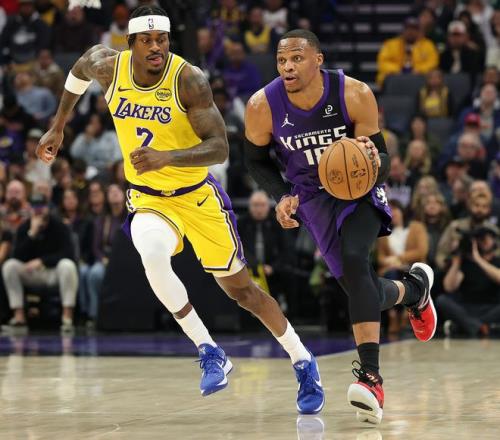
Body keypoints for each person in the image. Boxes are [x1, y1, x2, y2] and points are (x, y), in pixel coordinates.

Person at [35, 6, 324, 414]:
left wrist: (167, 157)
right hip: (149, 198)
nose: (156, 47)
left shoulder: (188, 79)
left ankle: (302, 359)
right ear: (131, 44)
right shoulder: (107, 67)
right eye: (147, 41)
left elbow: (220, 148)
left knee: (243, 292)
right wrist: (59, 125)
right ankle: (208, 350)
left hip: (196, 195)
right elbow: (78, 70)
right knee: (152, 254)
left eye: (163, 40)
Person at [244, 29, 437, 425]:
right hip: (312, 198)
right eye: (281, 60)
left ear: (318, 59)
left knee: (354, 260)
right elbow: (256, 160)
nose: (287, 67)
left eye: (297, 58)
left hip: (358, 191)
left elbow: (383, 159)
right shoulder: (262, 105)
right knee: (362, 290)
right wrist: (282, 195)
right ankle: (414, 290)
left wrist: (373, 159)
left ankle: (371, 379)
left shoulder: (354, 93)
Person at [1, 193, 78, 333]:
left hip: (53, 272)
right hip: (31, 274)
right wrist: (32, 233)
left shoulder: (59, 226)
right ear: (30, 208)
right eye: (35, 206)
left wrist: (42, 261)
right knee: (9, 266)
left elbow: (68, 254)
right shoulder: (24, 227)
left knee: (68, 265)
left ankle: (67, 317)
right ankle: (19, 316)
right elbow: (16, 256)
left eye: (41, 206)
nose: (38, 210)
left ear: (48, 208)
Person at [437, 223, 500, 337]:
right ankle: (480, 327)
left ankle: (465, 326)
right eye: (480, 238)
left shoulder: (497, 261)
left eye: (487, 238)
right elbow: (449, 287)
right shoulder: (465, 262)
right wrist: (457, 259)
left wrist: (478, 259)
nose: (484, 241)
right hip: (466, 307)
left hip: (490, 308)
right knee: (442, 300)